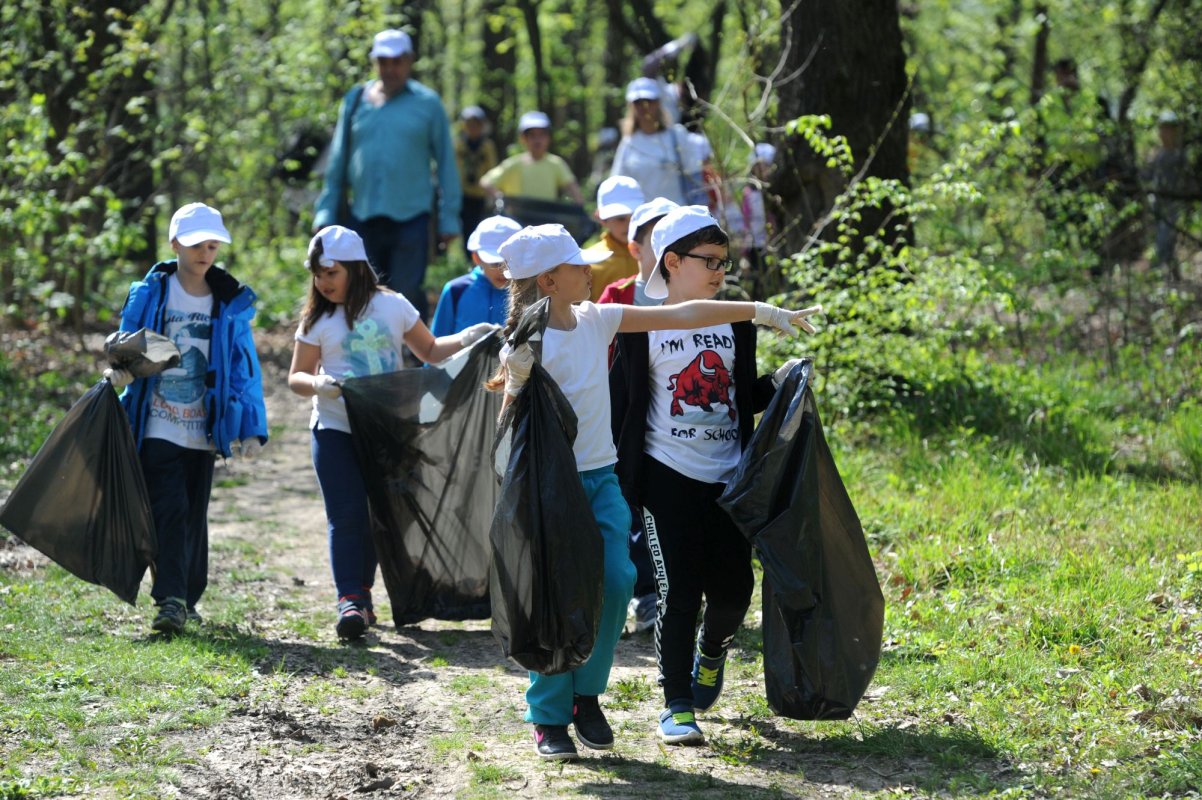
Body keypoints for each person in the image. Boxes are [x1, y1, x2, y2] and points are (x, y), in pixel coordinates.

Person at [486, 223, 820, 761]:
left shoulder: (599, 319)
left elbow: (681, 315)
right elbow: (509, 424)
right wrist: (518, 381)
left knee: (617, 582)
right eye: (578, 266)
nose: (591, 271)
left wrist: (759, 311)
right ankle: (549, 716)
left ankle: (587, 696)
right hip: (549, 489)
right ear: (549, 280)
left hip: (599, 479)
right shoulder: (527, 341)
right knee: (555, 594)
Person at [608, 205, 814, 745]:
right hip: (665, 477)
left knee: (733, 592)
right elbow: (622, 405)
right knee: (679, 592)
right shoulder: (639, 324)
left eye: (724, 261)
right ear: (672, 263)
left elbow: (738, 396)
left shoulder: (733, 323)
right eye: (709, 261)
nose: (721, 270)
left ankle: (712, 650)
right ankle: (676, 704)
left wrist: (782, 383)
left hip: (729, 478)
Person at [287, 226, 496, 640]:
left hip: (390, 431)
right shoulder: (319, 318)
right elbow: (296, 376)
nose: (323, 282)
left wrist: (470, 338)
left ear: (356, 269)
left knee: (383, 517)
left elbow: (431, 351)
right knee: (347, 516)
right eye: (318, 274)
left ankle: (369, 594)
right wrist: (318, 385)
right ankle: (351, 599)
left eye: (331, 272)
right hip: (335, 429)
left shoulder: (392, 306)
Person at [103, 203, 268, 634]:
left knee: (194, 513)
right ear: (175, 243)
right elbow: (126, 342)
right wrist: (121, 368)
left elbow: (243, 364)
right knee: (170, 507)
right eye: (196, 243)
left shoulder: (229, 300)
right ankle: (171, 599)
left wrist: (252, 426)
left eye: (213, 244)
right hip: (156, 419)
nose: (205, 252)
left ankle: (187, 597)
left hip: (204, 425)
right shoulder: (152, 292)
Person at [312, 29, 461, 321]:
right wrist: (325, 211)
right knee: (361, 293)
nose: (390, 68)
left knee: (404, 294)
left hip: (411, 218)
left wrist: (449, 216)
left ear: (410, 61)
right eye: (383, 61)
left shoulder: (427, 103)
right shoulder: (355, 100)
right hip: (363, 216)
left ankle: (414, 359)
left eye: (397, 61)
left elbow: (446, 162)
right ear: (374, 62)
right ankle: (369, 361)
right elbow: (338, 161)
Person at [611, 77, 703, 206]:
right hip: (642, 219)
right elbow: (617, 182)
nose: (643, 107)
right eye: (638, 102)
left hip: (676, 214)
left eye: (648, 101)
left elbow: (696, 177)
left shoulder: (676, 136)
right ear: (631, 106)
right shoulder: (628, 142)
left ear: (658, 102)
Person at [430, 215, 521, 336]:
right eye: (495, 263)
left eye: (509, 262)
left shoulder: (526, 294)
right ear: (477, 258)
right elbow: (436, 343)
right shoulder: (456, 291)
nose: (503, 271)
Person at [481, 111, 584, 204]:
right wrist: (502, 200)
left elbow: (573, 189)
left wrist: (580, 210)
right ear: (523, 138)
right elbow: (486, 182)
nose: (537, 140)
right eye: (532, 135)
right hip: (518, 220)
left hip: (547, 220)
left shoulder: (556, 163)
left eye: (541, 135)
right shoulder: (513, 164)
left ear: (548, 137)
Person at [597, 196, 678, 308]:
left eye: (681, 241)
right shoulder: (617, 296)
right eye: (662, 241)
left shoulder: (701, 289)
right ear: (636, 250)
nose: (675, 249)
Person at [1143, 111, 1195, 281]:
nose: (1165, 133)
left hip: (1173, 205)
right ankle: (1175, 276)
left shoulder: (1180, 156)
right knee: (1166, 241)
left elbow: (1189, 182)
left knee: (1164, 239)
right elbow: (1146, 177)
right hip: (1157, 204)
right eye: (1163, 129)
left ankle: (1155, 275)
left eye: (1169, 129)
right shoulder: (1156, 155)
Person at [582, 176, 644, 302]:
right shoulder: (588, 262)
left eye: (635, 217)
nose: (629, 224)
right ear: (601, 218)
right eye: (620, 218)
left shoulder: (657, 254)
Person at [454, 105, 499, 257]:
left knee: (480, 226)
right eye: (469, 124)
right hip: (462, 193)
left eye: (476, 124)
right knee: (465, 227)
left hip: (481, 195)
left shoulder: (487, 146)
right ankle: (468, 257)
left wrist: (491, 193)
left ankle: (481, 256)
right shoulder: (458, 144)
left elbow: (492, 169)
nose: (473, 128)